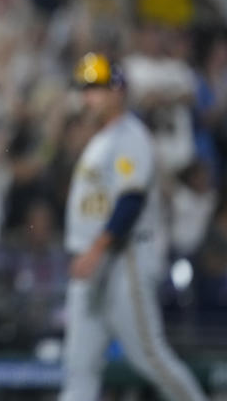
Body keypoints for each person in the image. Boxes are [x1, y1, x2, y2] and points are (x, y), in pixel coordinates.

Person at [60, 53, 207, 401]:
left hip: (122, 258)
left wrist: (96, 250)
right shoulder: (100, 141)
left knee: (149, 357)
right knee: (78, 369)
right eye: (85, 90)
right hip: (93, 264)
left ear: (118, 91)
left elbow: (131, 200)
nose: (89, 97)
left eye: (97, 88)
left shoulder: (130, 136)